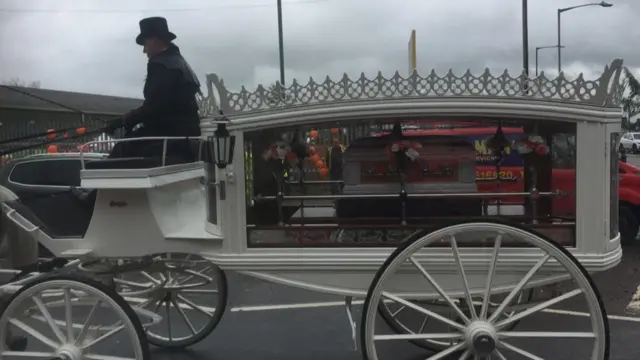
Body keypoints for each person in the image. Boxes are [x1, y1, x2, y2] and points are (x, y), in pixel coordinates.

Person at [105, 17, 202, 161]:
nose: (144, 51)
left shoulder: (160, 65)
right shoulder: (180, 63)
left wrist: (125, 120)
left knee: (120, 150)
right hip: (187, 136)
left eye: (145, 44)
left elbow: (154, 106)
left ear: (155, 40)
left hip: (170, 137)